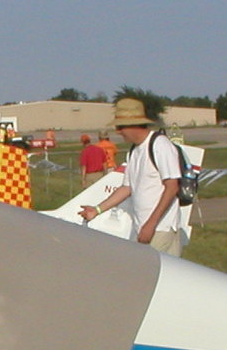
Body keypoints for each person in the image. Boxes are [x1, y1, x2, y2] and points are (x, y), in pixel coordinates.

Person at [79, 97, 186, 255]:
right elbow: (127, 188)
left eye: (121, 127)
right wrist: (97, 210)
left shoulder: (160, 145)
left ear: (134, 125)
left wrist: (151, 224)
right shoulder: (134, 151)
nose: (118, 131)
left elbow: (172, 187)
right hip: (141, 228)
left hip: (160, 229)